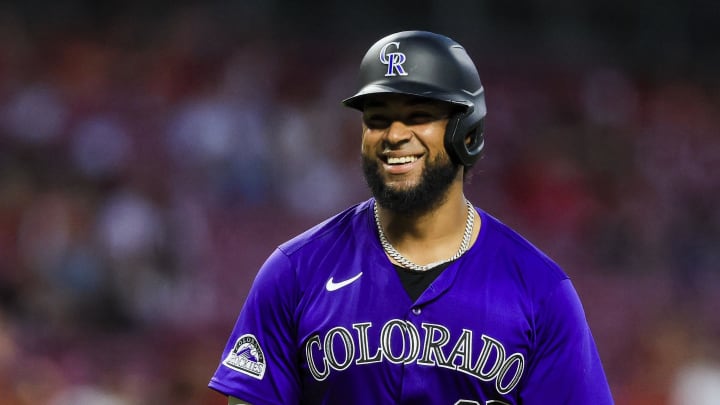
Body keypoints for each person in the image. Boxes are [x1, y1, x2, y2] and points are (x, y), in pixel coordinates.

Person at [208, 30, 614, 405]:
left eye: (419, 116)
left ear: (467, 132)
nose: (394, 134)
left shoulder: (541, 292)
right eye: (378, 118)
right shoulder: (295, 272)